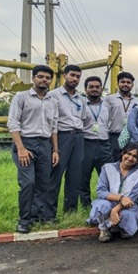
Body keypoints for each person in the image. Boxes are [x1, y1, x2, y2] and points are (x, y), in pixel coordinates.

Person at [7, 65, 59, 233]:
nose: (44, 80)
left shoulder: (53, 101)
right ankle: (24, 220)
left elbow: (54, 127)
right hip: (25, 144)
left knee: (43, 184)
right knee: (28, 183)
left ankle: (37, 217)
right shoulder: (21, 97)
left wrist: (55, 150)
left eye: (48, 78)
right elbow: (13, 123)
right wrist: (21, 149)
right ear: (33, 78)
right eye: (40, 77)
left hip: (45, 145)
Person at [87, 143, 138, 242]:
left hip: (129, 206)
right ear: (123, 153)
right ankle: (104, 229)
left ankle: (122, 227)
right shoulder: (107, 168)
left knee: (127, 215)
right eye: (128, 154)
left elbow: (132, 198)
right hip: (109, 201)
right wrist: (120, 198)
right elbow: (101, 191)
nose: (130, 158)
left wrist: (115, 210)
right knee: (102, 206)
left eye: (135, 156)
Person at [47, 64, 86, 215]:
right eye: (72, 75)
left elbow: (83, 118)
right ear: (64, 76)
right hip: (62, 136)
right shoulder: (53, 95)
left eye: (78, 77)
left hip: (78, 137)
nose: (75, 79)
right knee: (55, 174)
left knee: (75, 175)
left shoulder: (81, 99)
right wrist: (55, 147)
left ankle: (70, 211)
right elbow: (51, 121)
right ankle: (49, 213)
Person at [80, 76, 112, 208]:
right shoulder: (81, 104)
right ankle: (86, 205)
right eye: (91, 87)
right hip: (86, 143)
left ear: (101, 89)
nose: (94, 89)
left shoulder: (107, 105)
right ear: (85, 89)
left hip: (104, 144)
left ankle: (106, 203)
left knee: (107, 176)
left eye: (97, 87)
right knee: (84, 176)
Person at [104, 71, 138, 161]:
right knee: (113, 163)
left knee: (129, 162)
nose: (125, 84)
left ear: (132, 85)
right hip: (114, 137)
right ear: (118, 83)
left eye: (128, 82)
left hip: (131, 138)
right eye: (123, 82)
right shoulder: (109, 99)